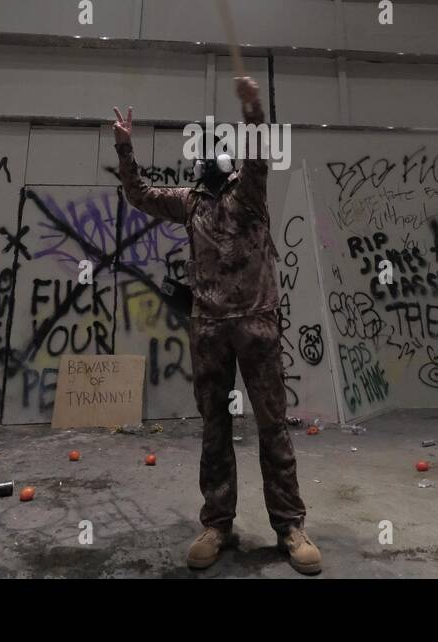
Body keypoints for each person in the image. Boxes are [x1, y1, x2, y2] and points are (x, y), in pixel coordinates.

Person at [112, 77, 321, 575]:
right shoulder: (191, 202)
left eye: (214, 154)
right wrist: (124, 147)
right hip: (209, 330)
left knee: (272, 428)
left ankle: (290, 526)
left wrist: (252, 111)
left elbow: (258, 156)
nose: (208, 161)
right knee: (215, 428)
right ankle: (217, 524)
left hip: (257, 326)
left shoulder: (248, 194)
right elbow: (139, 194)